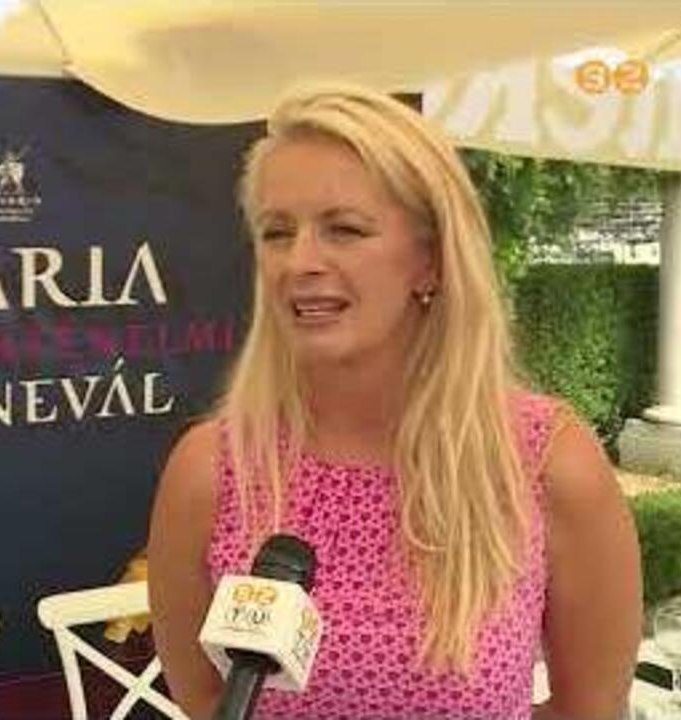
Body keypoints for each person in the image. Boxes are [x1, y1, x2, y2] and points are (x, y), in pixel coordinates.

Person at [146, 85, 642, 720]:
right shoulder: (210, 471)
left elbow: (592, 707)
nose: (300, 261)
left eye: (345, 229)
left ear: (431, 259)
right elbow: (202, 699)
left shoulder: (545, 461)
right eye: (277, 232)